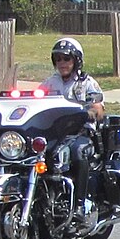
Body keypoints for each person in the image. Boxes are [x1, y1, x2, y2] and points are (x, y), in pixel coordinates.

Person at [40, 38, 105, 217]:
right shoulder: (50, 83)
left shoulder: (86, 83)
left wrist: (91, 111)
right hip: (55, 135)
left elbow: (99, 109)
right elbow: (35, 103)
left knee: (77, 152)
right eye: (58, 59)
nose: (62, 63)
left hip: (81, 134)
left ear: (76, 60)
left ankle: (79, 205)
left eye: (66, 59)